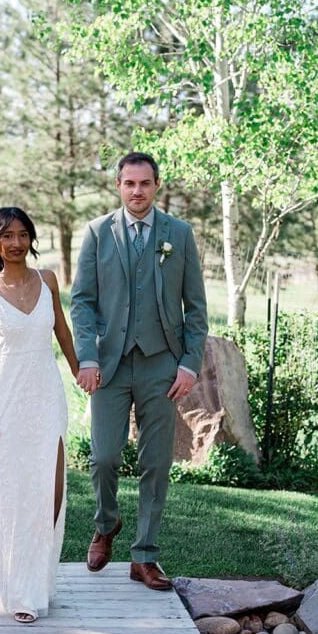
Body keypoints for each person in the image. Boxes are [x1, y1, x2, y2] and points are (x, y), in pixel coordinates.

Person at [71, 152, 208, 590]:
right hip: (109, 365)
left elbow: (197, 310)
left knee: (156, 463)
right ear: (118, 185)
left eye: (144, 183)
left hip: (162, 367)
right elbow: (83, 302)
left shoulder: (179, 235)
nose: (137, 191)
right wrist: (87, 357)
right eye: (129, 183)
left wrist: (188, 364)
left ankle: (144, 556)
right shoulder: (96, 233)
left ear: (157, 185)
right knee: (104, 457)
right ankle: (106, 524)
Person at [0, 207, 79, 624]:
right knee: (17, 495)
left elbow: (62, 331)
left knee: (51, 493)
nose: (16, 243)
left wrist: (79, 370)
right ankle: (18, 591)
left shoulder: (47, 279)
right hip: (6, 397)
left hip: (46, 395)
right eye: (7, 235)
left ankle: (40, 582)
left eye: (22, 234)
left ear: (31, 239)